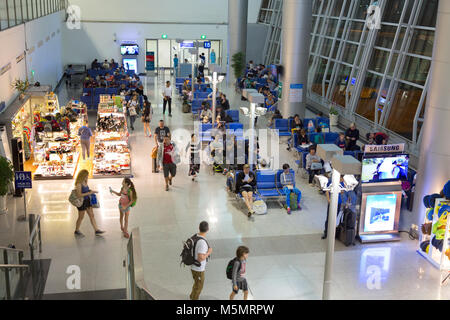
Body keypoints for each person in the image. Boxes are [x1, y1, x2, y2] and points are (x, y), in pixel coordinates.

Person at [74, 169, 105, 236]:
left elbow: (87, 190)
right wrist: (89, 193)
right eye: (86, 176)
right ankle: (76, 230)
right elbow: (79, 195)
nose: (87, 177)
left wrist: (92, 191)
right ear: (82, 176)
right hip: (81, 202)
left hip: (87, 201)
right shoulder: (79, 184)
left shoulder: (85, 182)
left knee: (92, 215)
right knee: (81, 217)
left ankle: (96, 230)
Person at [189, 221, 212, 300]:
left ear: (199, 228)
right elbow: (200, 258)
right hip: (198, 269)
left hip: (193, 266)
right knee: (199, 286)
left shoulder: (195, 236)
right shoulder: (202, 242)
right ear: (207, 229)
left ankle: (192, 296)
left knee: (196, 284)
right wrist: (208, 252)